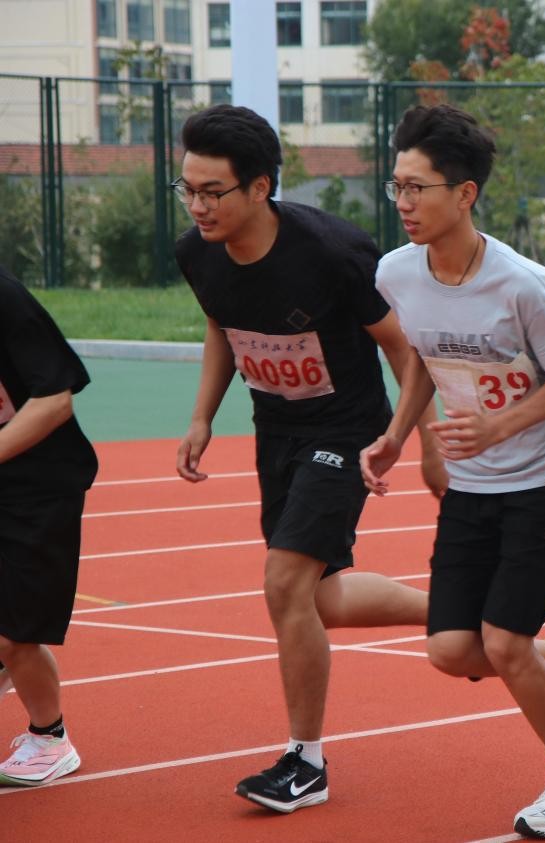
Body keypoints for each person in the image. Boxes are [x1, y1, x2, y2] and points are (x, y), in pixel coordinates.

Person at [172, 104, 445, 814]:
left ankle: (306, 761)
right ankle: (457, 612)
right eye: (187, 189)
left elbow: (402, 347)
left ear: (260, 186)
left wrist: (422, 440)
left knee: (283, 582)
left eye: (212, 191)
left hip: (347, 427)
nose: (198, 206)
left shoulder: (332, 252)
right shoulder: (196, 252)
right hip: (276, 430)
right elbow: (222, 324)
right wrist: (202, 415)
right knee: (316, 596)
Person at [361, 103, 545, 840]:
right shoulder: (396, 272)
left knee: (503, 642)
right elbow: (421, 357)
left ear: (465, 193)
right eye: (397, 186)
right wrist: (395, 435)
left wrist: (495, 427)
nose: (404, 202)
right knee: (450, 650)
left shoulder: (525, 286)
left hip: (544, 487)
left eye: (418, 188)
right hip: (471, 490)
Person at [0, 264, 98, 787]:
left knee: (15, 635)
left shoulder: (6, 299)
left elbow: (55, 400)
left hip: (37, 487)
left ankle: (49, 739)